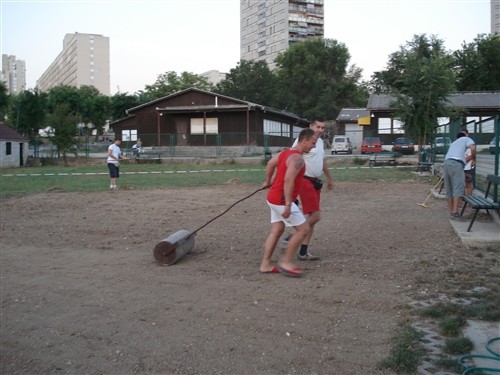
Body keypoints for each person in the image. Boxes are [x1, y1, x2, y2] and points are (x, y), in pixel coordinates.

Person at [260, 128, 318, 277]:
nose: (314, 146)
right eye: (313, 143)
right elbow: (288, 180)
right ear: (304, 140)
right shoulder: (297, 159)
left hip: (272, 197)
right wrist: (287, 204)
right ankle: (286, 261)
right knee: (303, 230)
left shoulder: (285, 153)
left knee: (277, 230)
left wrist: (268, 181)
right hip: (281, 200)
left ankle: (265, 265)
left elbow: (270, 164)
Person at [288, 118, 333, 261]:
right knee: (315, 216)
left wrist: (329, 178)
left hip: (315, 182)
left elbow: (322, 160)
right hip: (304, 180)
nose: (320, 130)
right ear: (311, 126)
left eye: (323, 127)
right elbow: (292, 156)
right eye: (318, 127)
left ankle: (303, 251)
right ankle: (294, 235)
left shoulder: (319, 143)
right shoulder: (303, 141)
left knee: (312, 218)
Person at [443, 130, 475, 219]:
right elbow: (473, 148)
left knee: (449, 188)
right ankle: (455, 213)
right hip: (456, 164)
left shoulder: (454, 143)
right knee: (458, 188)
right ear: (465, 135)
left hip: (446, 163)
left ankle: (451, 211)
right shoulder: (467, 139)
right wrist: (474, 159)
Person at [461, 130, 475, 196]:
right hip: (461, 167)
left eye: (464, 134)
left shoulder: (470, 144)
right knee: (461, 184)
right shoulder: (461, 144)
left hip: (467, 168)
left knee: (468, 184)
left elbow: (471, 156)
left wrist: (461, 161)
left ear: (467, 134)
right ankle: (462, 199)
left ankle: (469, 202)